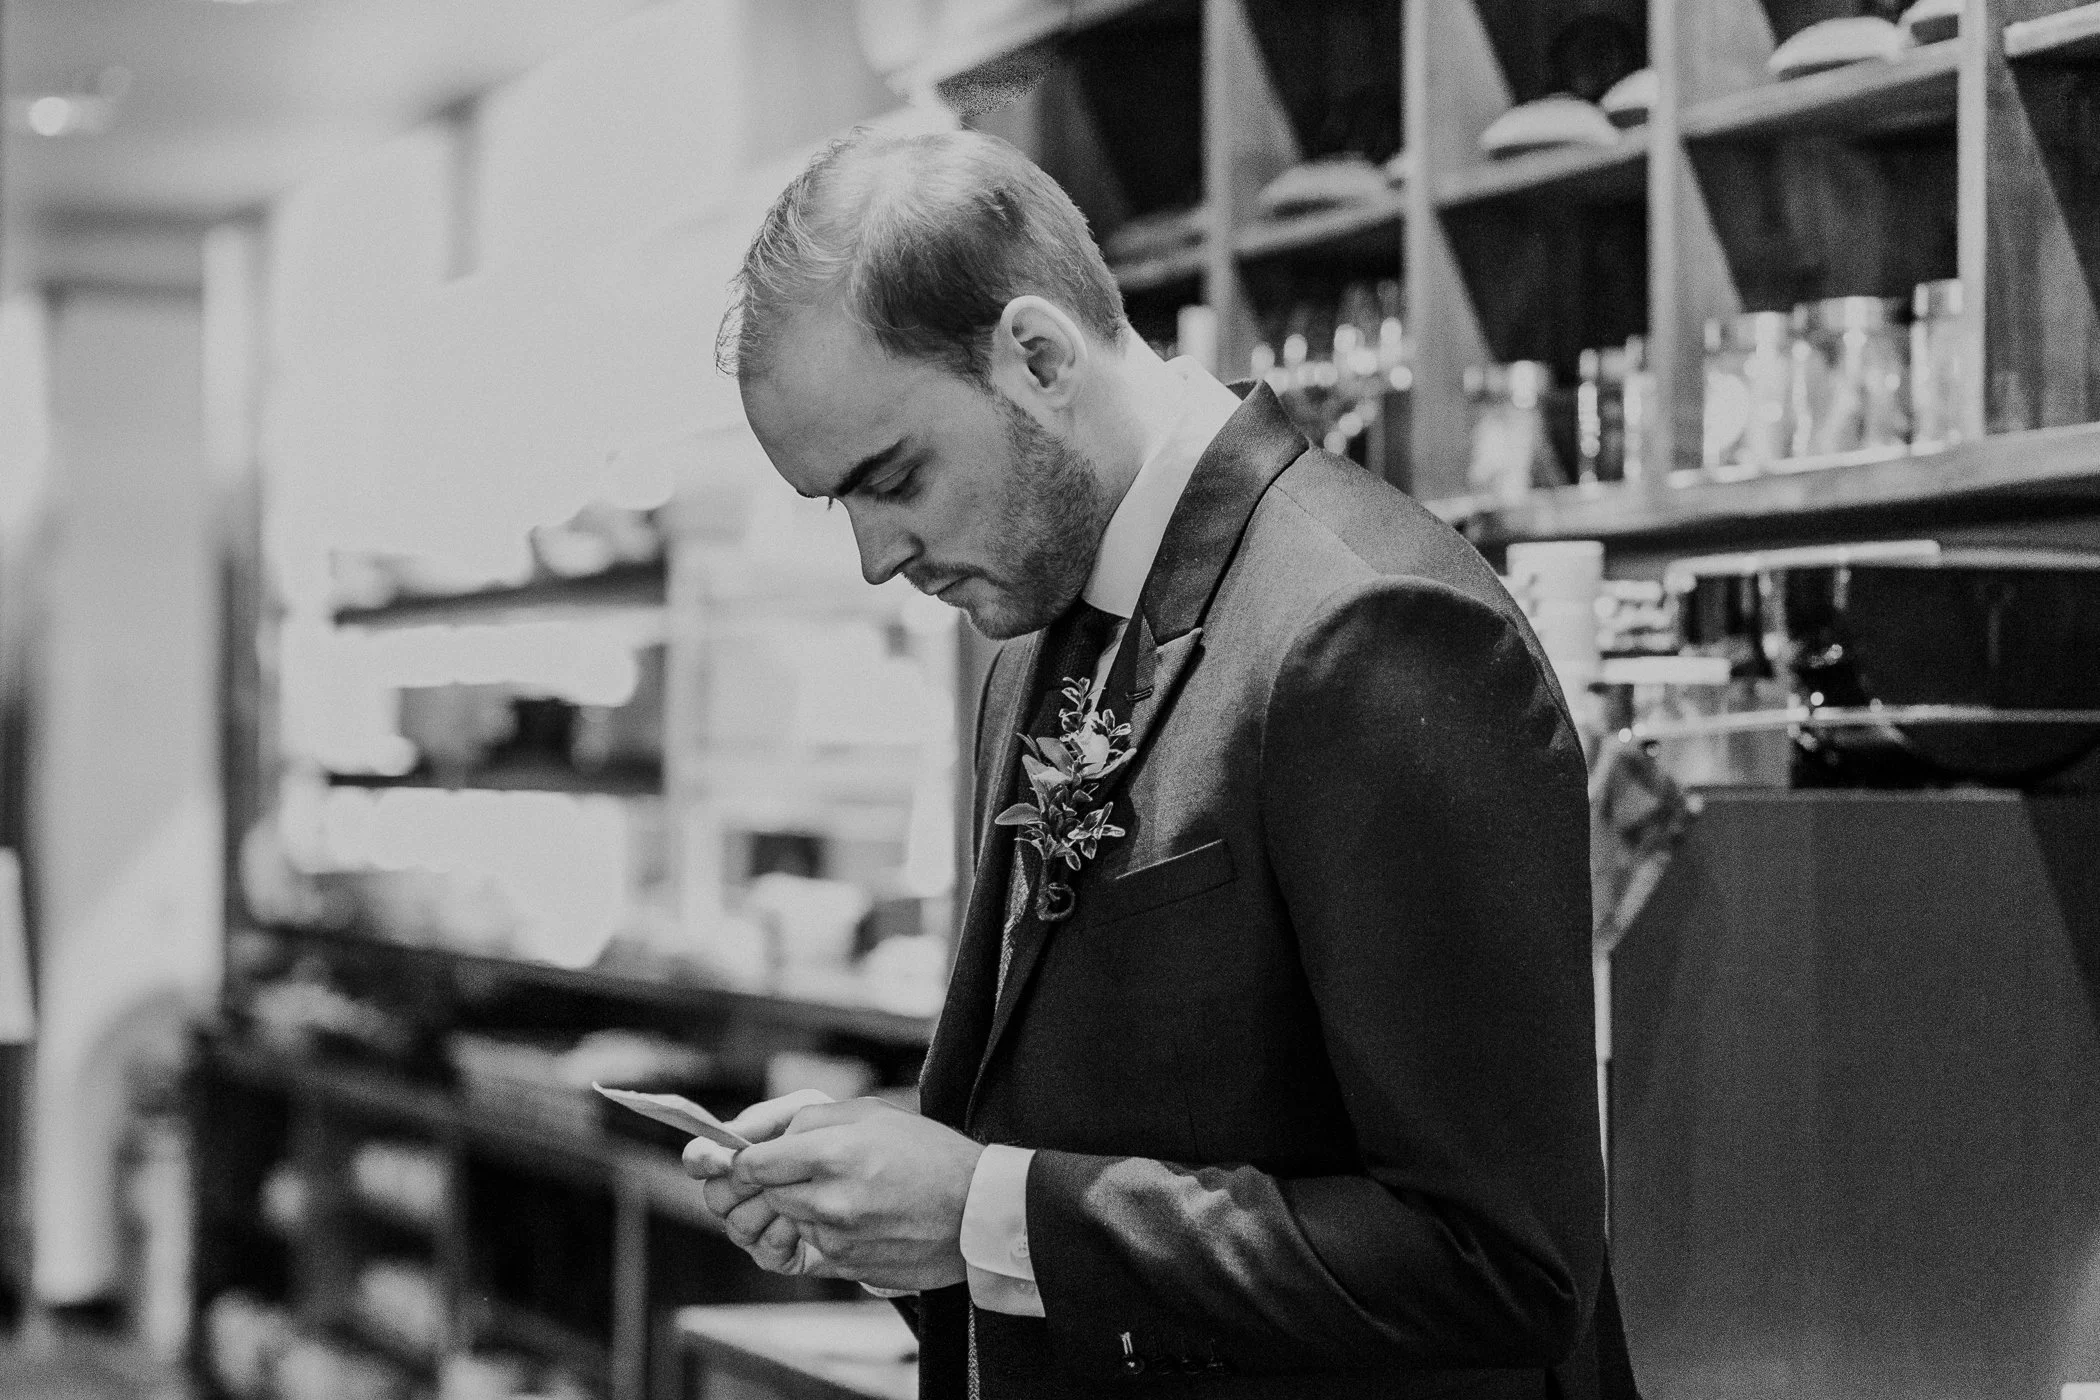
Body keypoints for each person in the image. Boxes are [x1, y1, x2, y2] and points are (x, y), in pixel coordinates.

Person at [683, 125, 1638, 1400]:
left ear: (1037, 353)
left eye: (893, 476)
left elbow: (1499, 1262)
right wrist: (895, 1217)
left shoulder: (1369, 628)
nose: (875, 555)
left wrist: (986, 1208)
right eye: (837, 505)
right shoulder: (1030, 640)